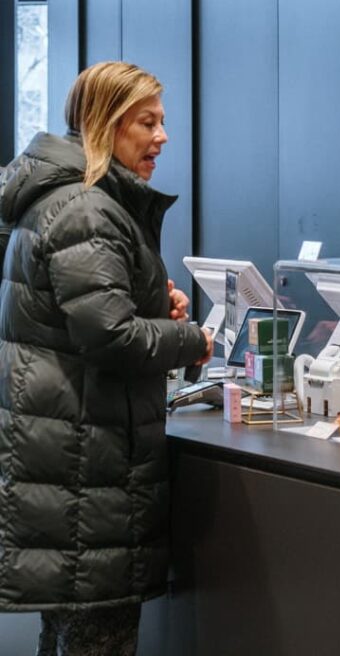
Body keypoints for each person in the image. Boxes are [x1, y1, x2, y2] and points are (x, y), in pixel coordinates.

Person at [0, 61, 214, 656]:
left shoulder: (70, 201)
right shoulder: (87, 209)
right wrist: (192, 340)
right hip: (83, 466)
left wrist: (151, 304)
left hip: (70, 458)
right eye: (147, 122)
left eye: (162, 121)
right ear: (105, 124)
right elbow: (112, 339)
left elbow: (90, 316)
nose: (162, 137)